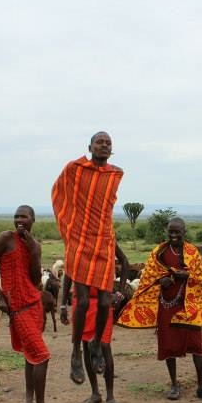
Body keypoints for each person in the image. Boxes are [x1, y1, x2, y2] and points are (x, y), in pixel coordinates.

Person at [117, 218, 202, 402]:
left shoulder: (192, 252)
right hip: (167, 304)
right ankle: (174, 384)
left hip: (188, 305)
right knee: (168, 345)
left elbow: (200, 277)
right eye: (171, 232)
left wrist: (187, 275)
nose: (174, 236)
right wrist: (161, 281)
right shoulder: (159, 252)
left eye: (177, 232)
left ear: (184, 231)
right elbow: (149, 278)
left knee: (196, 346)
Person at [52, 131, 124, 384]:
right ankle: (74, 351)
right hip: (80, 241)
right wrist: (68, 227)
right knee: (81, 302)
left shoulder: (115, 175)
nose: (104, 146)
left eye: (108, 143)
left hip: (104, 240)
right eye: (99, 142)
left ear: (111, 149)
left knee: (105, 302)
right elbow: (59, 192)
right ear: (90, 147)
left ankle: (95, 344)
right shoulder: (75, 169)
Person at [0, 205, 57, 403]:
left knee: (31, 355)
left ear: (33, 220)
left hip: (34, 305)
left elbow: (34, 279)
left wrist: (33, 250)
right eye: (16, 216)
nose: (19, 220)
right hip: (17, 308)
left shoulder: (36, 246)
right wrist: (0, 297)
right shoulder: (6, 238)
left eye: (23, 216)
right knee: (42, 355)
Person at [60, 243, 129, 403]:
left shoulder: (107, 238)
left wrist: (119, 292)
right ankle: (95, 393)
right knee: (85, 346)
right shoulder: (76, 240)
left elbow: (125, 261)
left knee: (104, 346)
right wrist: (62, 305)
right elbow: (69, 274)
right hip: (82, 304)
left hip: (103, 303)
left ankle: (111, 396)